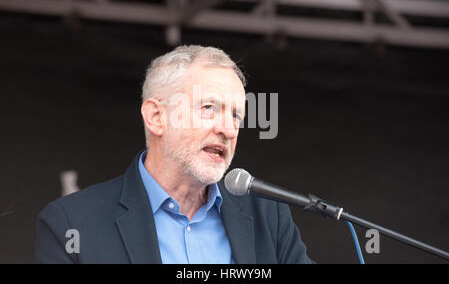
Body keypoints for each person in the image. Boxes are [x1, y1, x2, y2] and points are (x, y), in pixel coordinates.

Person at [34, 45, 313, 264]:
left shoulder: (268, 216)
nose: (229, 129)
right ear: (156, 117)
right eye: (209, 108)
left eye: (237, 116)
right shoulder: (72, 223)